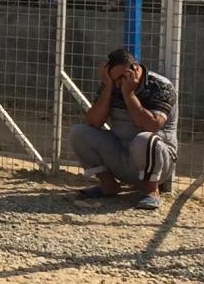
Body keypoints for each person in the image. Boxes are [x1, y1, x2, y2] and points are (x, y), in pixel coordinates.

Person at [69, 48, 178, 210]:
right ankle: (108, 185)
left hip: (157, 161)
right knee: (79, 133)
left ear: (134, 69)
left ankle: (152, 191)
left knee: (144, 139)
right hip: (122, 156)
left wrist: (129, 94)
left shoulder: (161, 86)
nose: (118, 85)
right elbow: (93, 122)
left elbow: (152, 125)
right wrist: (108, 87)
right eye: (114, 80)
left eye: (121, 78)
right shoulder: (113, 84)